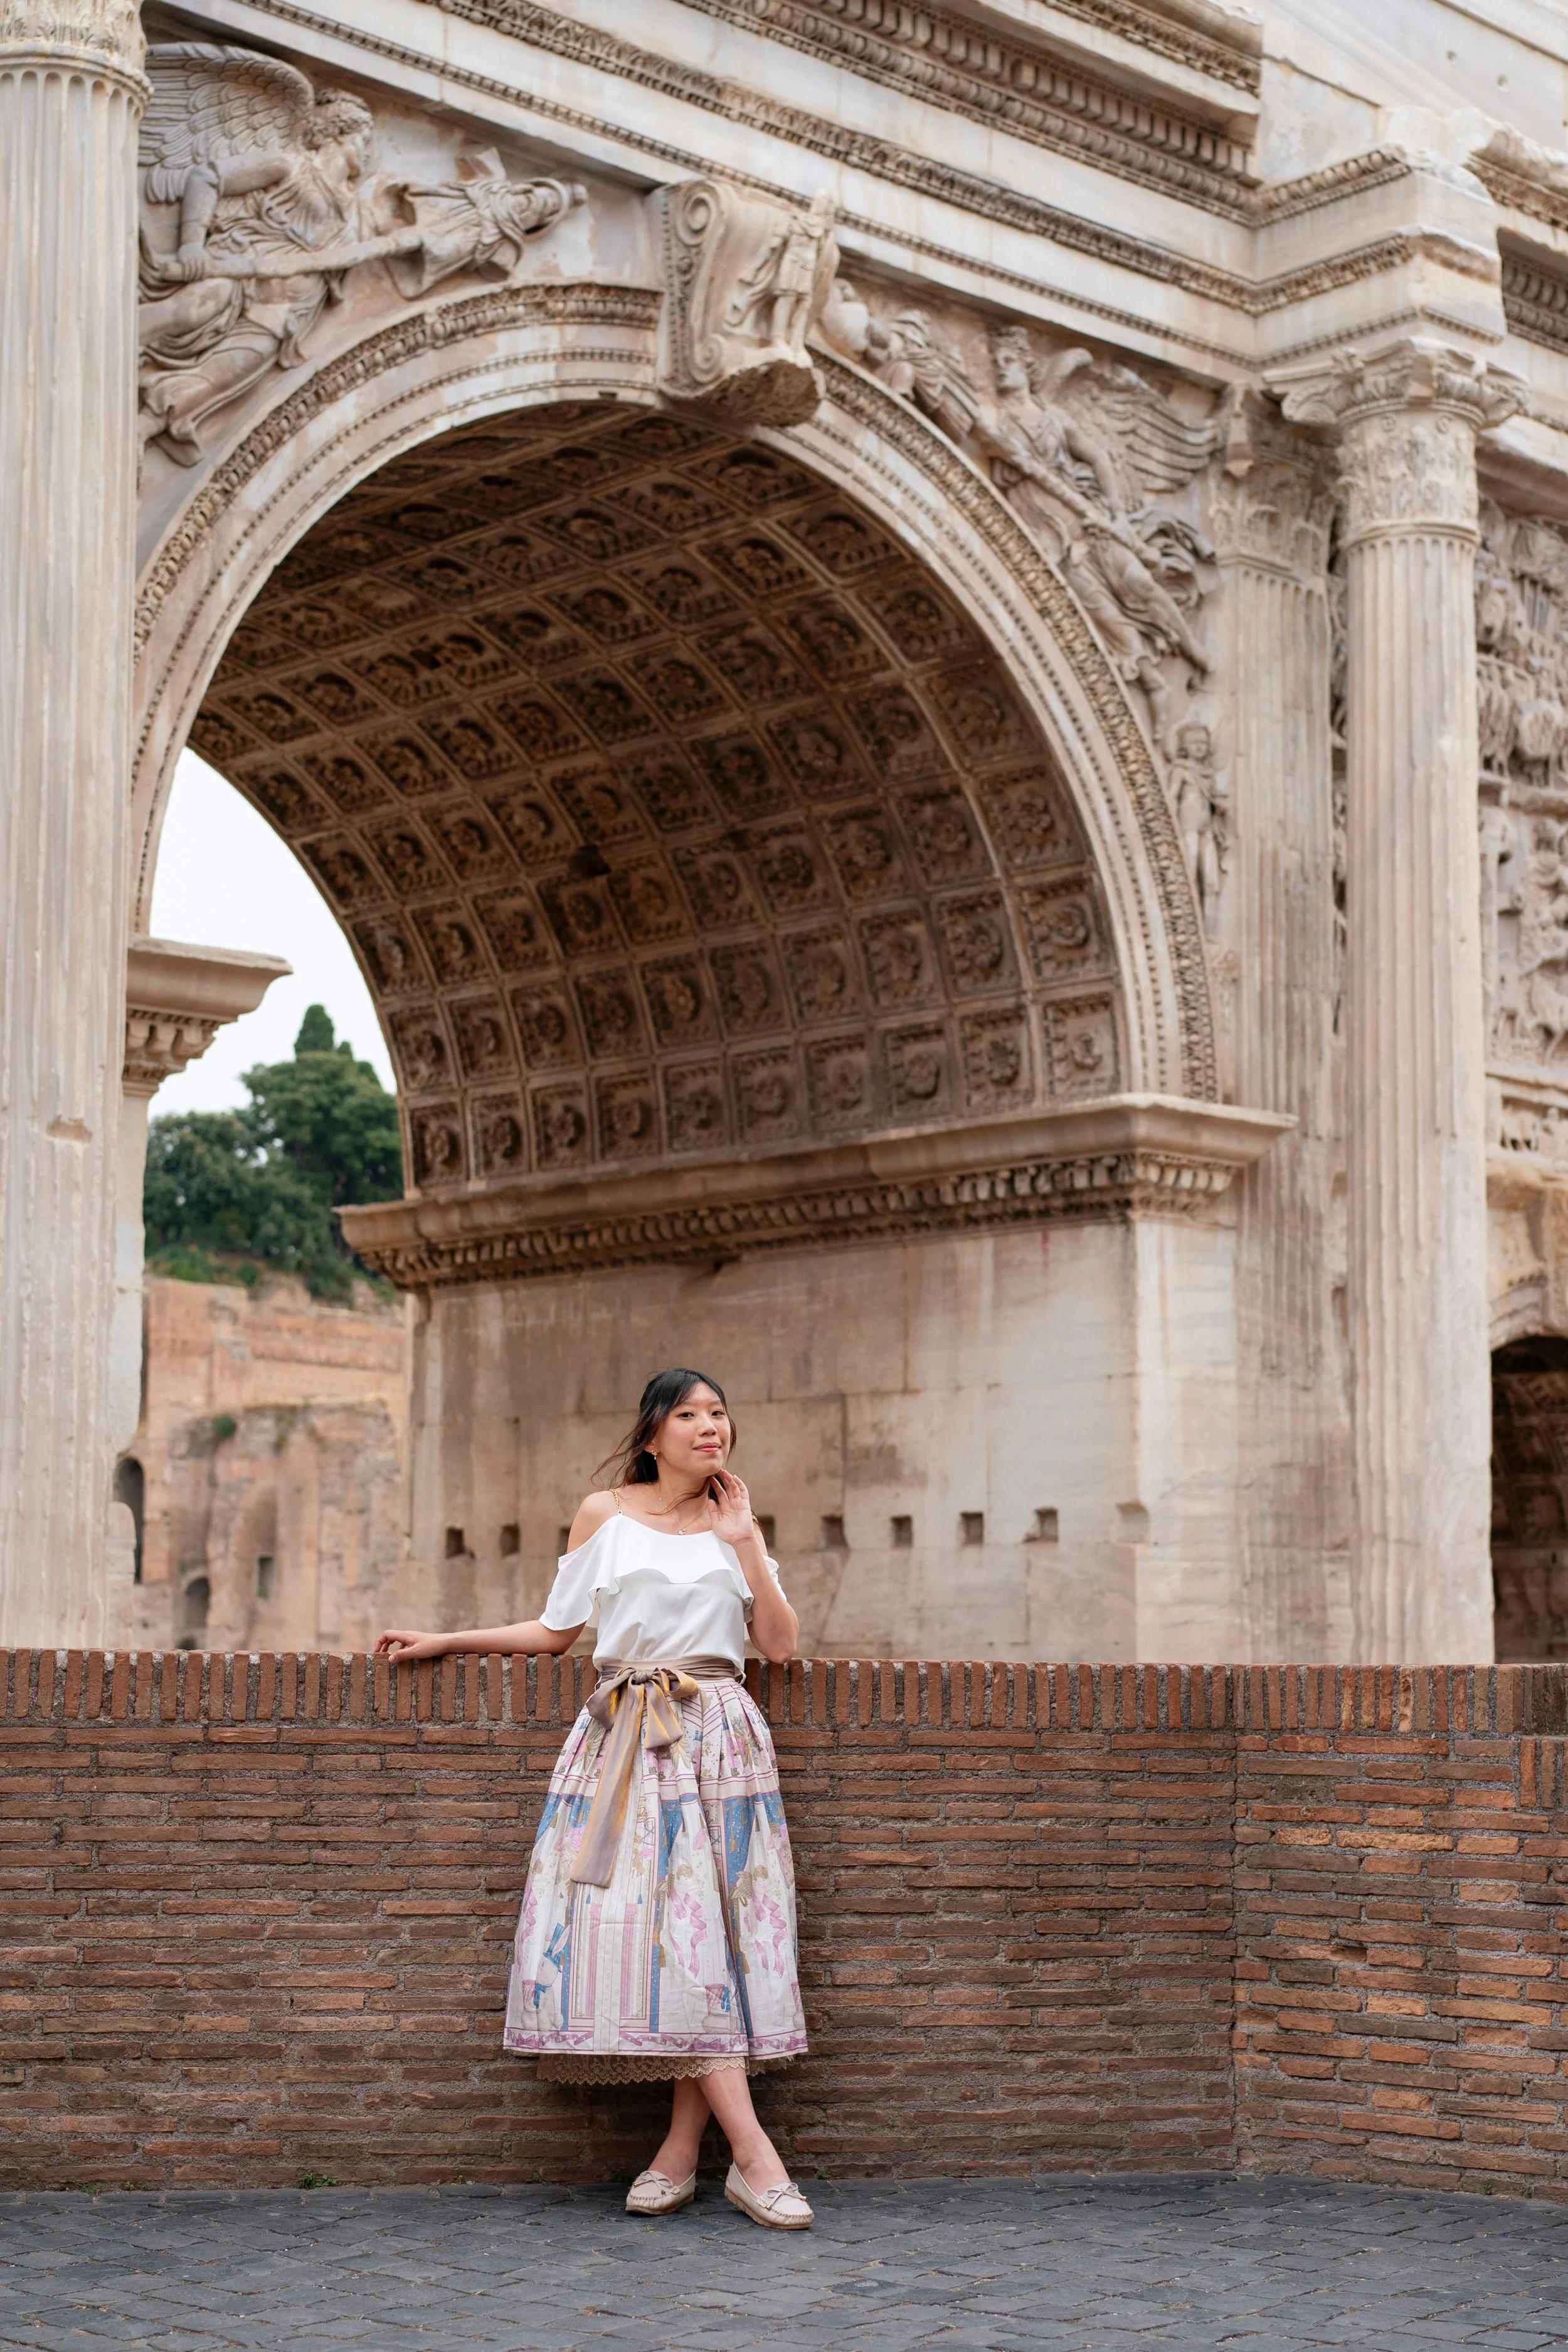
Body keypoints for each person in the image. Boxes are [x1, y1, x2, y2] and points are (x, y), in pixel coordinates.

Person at [374, 1369, 813, 2229]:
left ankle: (681, 2155)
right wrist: (451, 1637)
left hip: (721, 1733)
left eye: (718, 1411)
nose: (708, 1425)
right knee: (666, 1940)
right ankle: (757, 2161)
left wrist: (748, 1541)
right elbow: (557, 1630)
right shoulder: (604, 1514)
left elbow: (783, 1647)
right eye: (687, 1413)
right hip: (626, 1736)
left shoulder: (735, 1528)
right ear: (653, 1434)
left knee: (712, 1939)